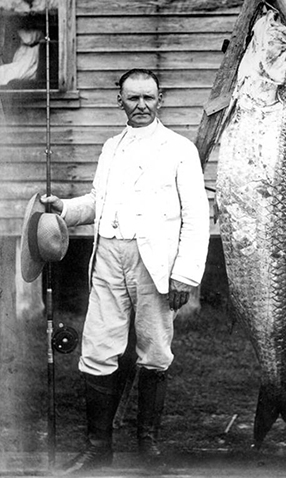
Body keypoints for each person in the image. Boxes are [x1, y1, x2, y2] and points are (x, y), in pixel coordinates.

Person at [41, 68, 210, 473]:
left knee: (154, 349)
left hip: (155, 263)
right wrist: (65, 208)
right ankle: (98, 446)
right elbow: (100, 201)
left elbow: (197, 216)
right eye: (132, 98)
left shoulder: (179, 149)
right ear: (120, 101)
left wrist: (185, 275)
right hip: (109, 259)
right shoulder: (111, 147)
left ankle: (147, 443)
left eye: (148, 98)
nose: (141, 106)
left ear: (160, 99)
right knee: (98, 348)